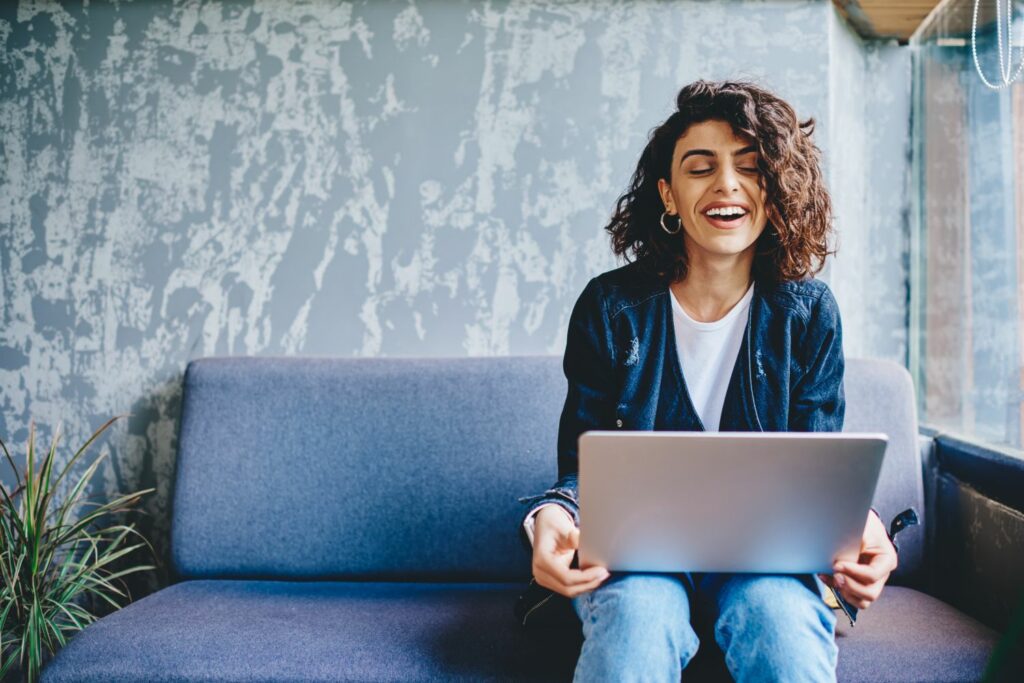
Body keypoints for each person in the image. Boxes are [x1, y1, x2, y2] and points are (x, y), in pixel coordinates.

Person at [517, 80, 899, 682]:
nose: (727, 184)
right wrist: (549, 519)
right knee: (638, 620)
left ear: (776, 193)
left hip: (767, 562)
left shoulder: (811, 313)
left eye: (751, 168)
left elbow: (818, 466)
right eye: (702, 168)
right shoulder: (609, 307)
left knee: (780, 624)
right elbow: (583, 470)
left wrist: (860, 527)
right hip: (636, 563)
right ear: (669, 194)